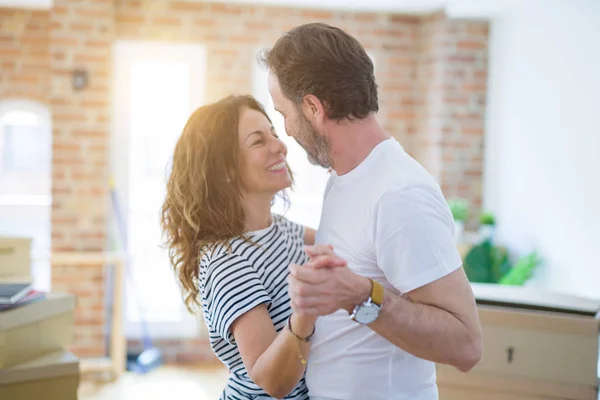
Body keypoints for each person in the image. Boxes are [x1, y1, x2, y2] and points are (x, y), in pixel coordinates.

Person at [260, 22, 483, 400]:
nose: (286, 131)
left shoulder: (399, 193)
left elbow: (465, 345)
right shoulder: (344, 178)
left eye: (285, 114)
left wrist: (361, 295)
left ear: (313, 108)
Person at [160, 95, 343, 399]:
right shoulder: (227, 262)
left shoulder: (281, 230)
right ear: (224, 170)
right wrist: (305, 310)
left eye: (273, 133)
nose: (279, 145)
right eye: (258, 141)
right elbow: (273, 382)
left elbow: (343, 247)